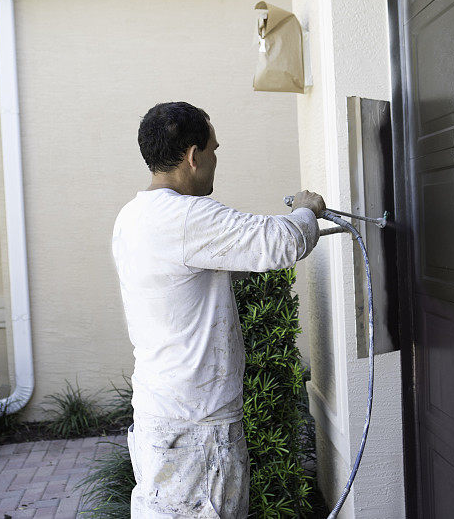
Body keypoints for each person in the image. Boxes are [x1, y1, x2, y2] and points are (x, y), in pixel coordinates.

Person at [111, 101, 325, 518]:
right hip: (197, 429)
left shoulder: (133, 217)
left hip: (162, 417)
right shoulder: (187, 217)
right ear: (193, 156)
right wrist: (306, 209)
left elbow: (190, 277)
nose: (214, 160)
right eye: (213, 150)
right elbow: (282, 242)